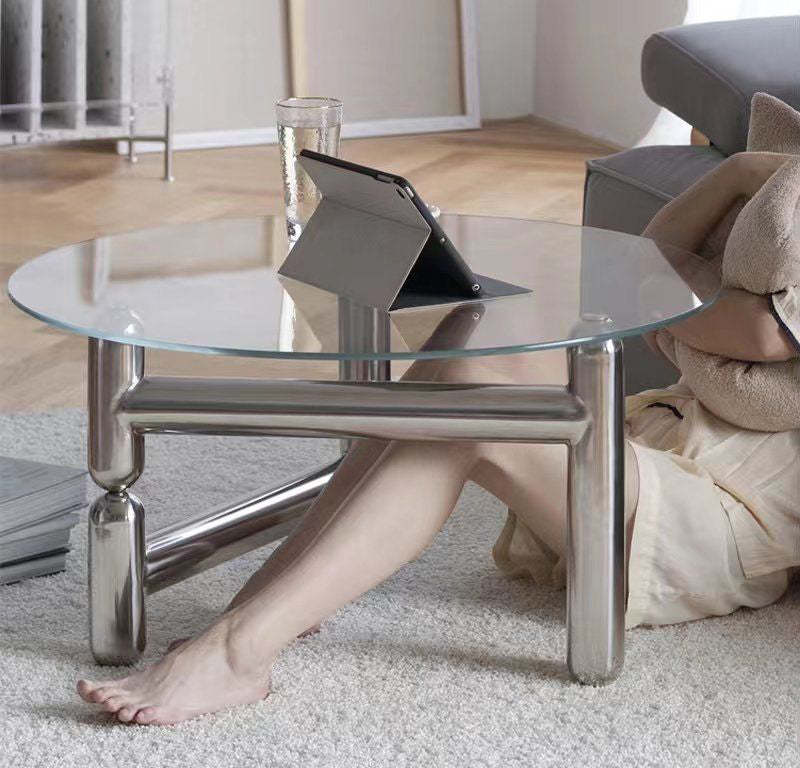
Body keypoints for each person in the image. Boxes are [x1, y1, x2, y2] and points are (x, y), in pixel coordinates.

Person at [77, 151, 799, 725]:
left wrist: (653, 289)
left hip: (720, 522)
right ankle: (262, 609)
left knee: (470, 412)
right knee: (478, 331)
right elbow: (652, 260)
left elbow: (746, 327)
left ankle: (242, 650)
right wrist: (738, 170)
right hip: (654, 452)